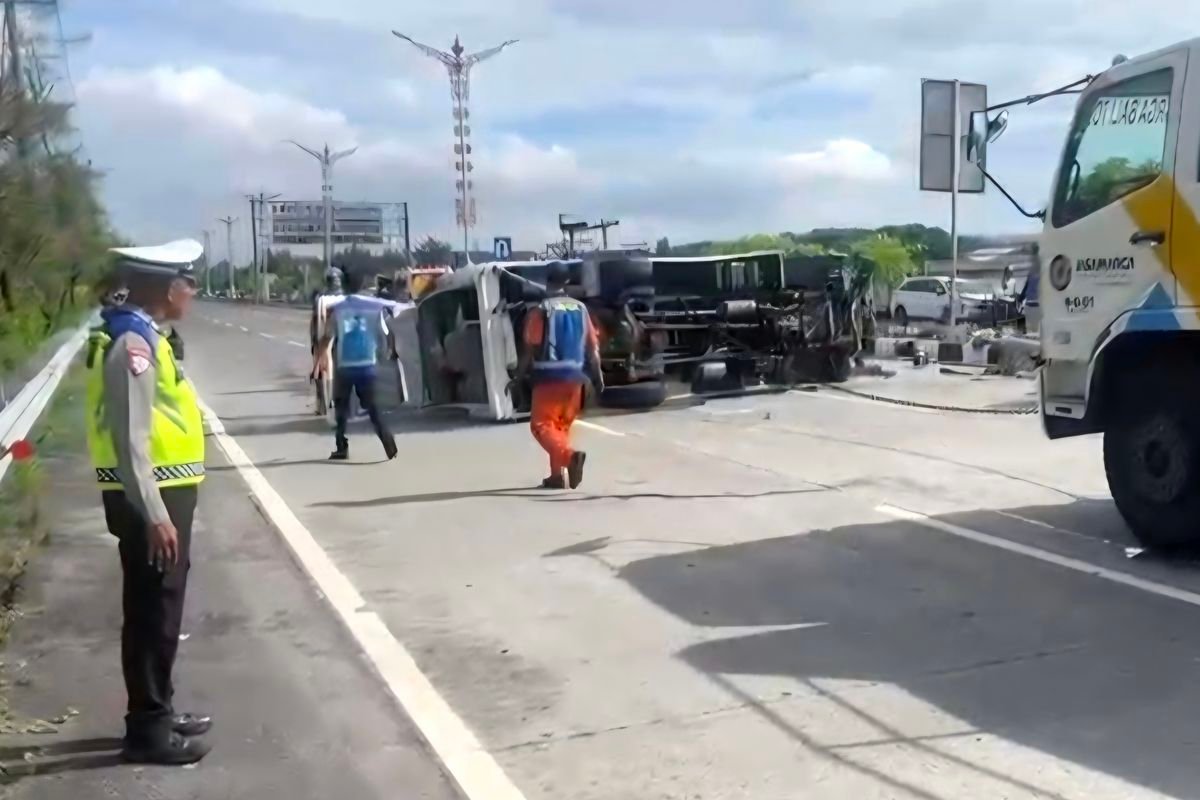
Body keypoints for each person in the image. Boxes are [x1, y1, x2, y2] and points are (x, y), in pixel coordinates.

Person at [85, 239, 211, 765]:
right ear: (165, 287)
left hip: (157, 490)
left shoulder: (141, 334)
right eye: (188, 280)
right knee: (153, 608)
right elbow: (131, 437)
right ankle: (148, 730)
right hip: (149, 495)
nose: (193, 290)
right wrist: (157, 515)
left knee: (158, 605)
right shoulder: (132, 344)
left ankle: (158, 709)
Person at [516, 261, 602, 489]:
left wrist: (518, 375)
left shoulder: (541, 310)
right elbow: (592, 347)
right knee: (560, 427)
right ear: (566, 282)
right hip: (576, 378)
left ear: (547, 281)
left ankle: (569, 458)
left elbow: (532, 347)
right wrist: (598, 375)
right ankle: (556, 477)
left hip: (548, 377)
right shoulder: (581, 309)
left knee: (541, 425)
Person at [313, 269, 399, 461]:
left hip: (345, 366)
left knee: (341, 411)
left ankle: (341, 447)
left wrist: (321, 360)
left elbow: (327, 337)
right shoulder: (373, 308)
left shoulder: (339, 309)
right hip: (368, 365)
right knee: (374, 409)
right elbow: (386, 332)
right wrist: (388, 351)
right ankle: (388, 442)